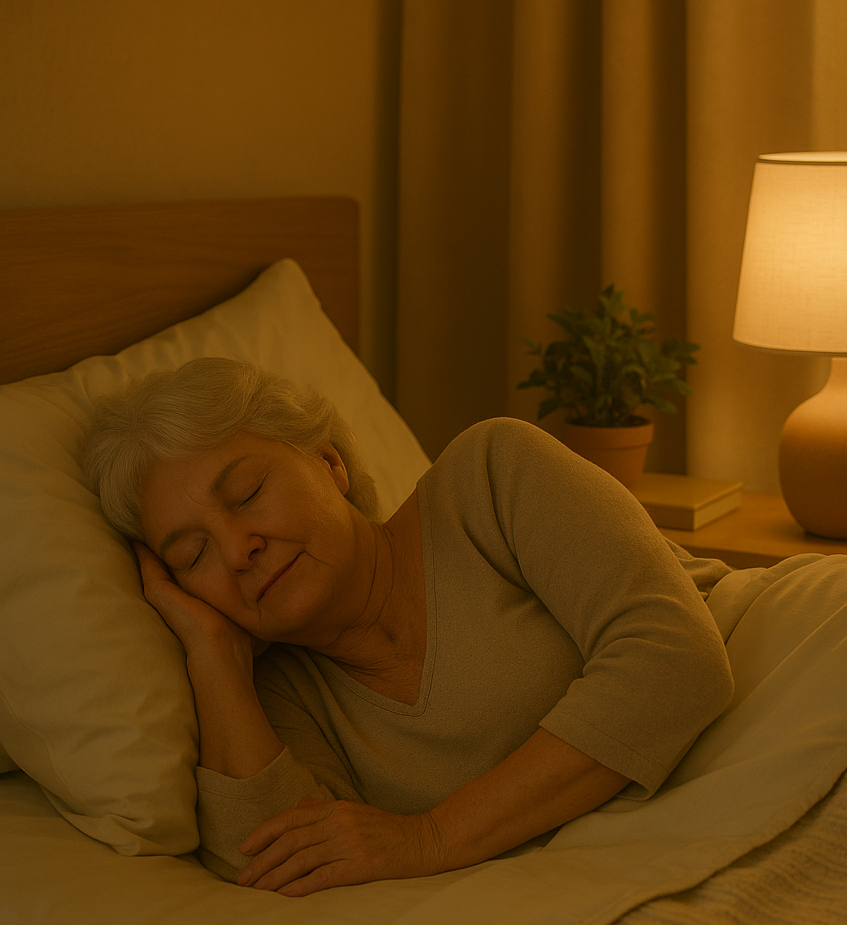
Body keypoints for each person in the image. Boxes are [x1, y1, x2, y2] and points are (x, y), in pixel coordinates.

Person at [83, 357, 734, 896]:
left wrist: (433, 837)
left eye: (248, 492)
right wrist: (215, 655)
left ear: (329, 463)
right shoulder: (281, 701)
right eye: (192, 553)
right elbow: (278, 864)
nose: (235, 550)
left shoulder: (489, 478)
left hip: (785, 685)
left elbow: (675, 660)